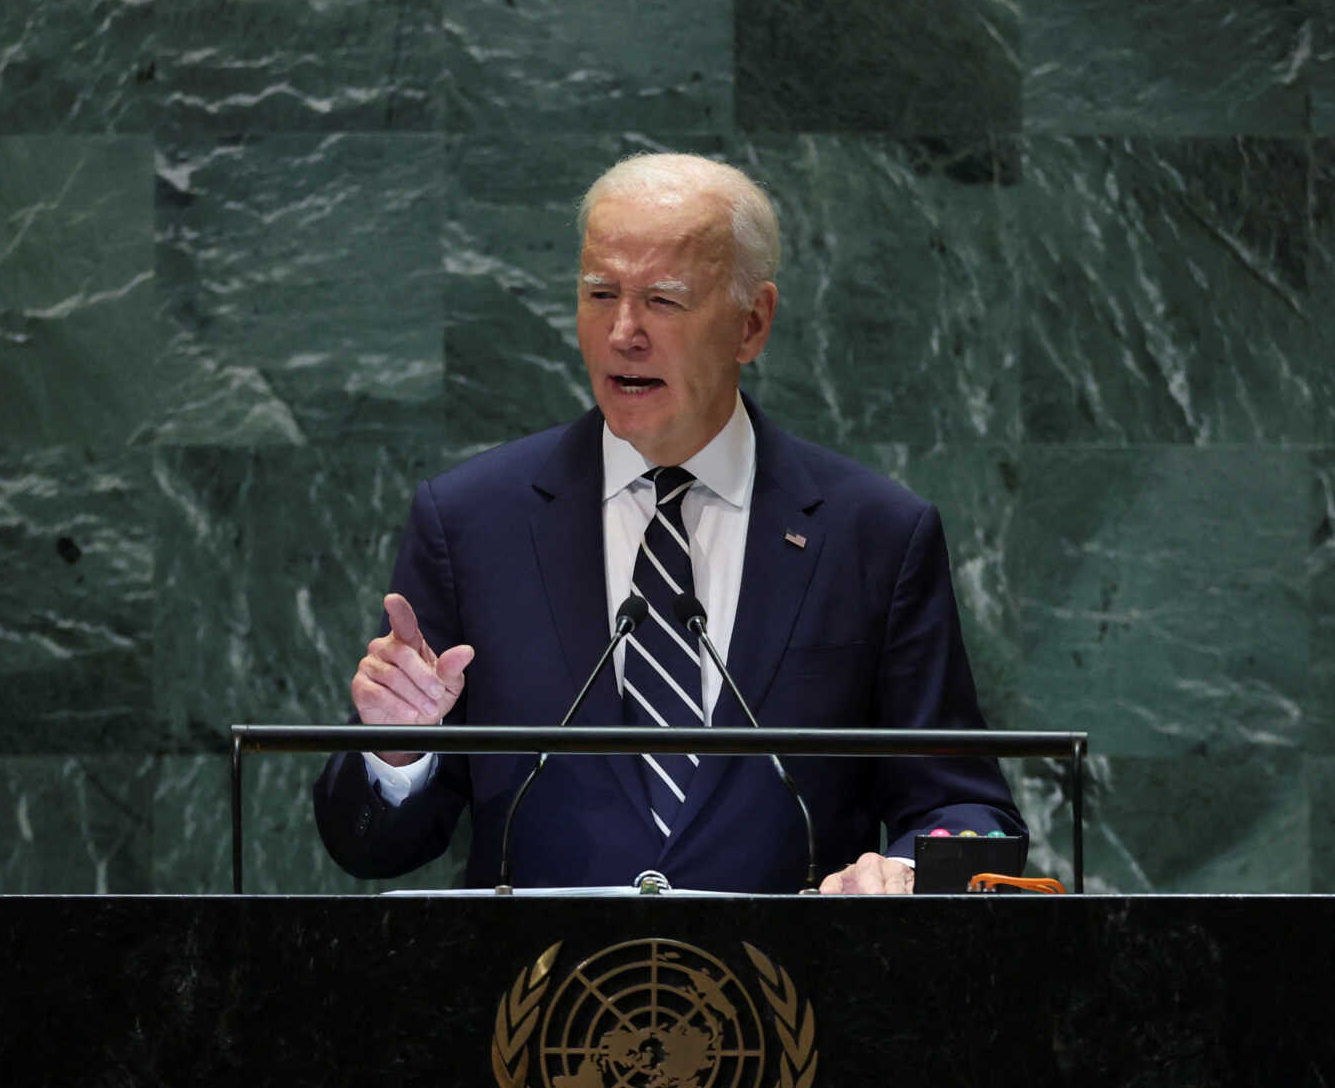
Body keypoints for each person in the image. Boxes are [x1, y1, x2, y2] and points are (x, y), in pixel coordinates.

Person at [312, 152, 1022, 894]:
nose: (623, 331)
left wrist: (906, 869)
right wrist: (395, 753)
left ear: (753, 323)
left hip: (789, 1000)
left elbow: (966, 808)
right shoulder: (470, 523)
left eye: (664, 299)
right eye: (599, 293)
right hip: (540, 1001)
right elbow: (372, 849)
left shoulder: (875, 536)